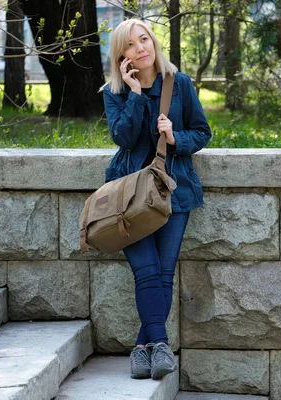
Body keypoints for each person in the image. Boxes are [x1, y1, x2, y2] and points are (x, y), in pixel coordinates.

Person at [102, 18, 211, 380]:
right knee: (146, 272)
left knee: (162, 274)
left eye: (144, 40)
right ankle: (160, 344)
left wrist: (175, 136)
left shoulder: (178, 84)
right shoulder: (114, 92)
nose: (140, 49)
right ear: (122, 56)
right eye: (130, 45)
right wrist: (134, 94)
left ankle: (143, 347)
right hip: (128, 196)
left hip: (173, 192)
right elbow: (124, 138)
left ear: (154, 42)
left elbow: (202, 131)